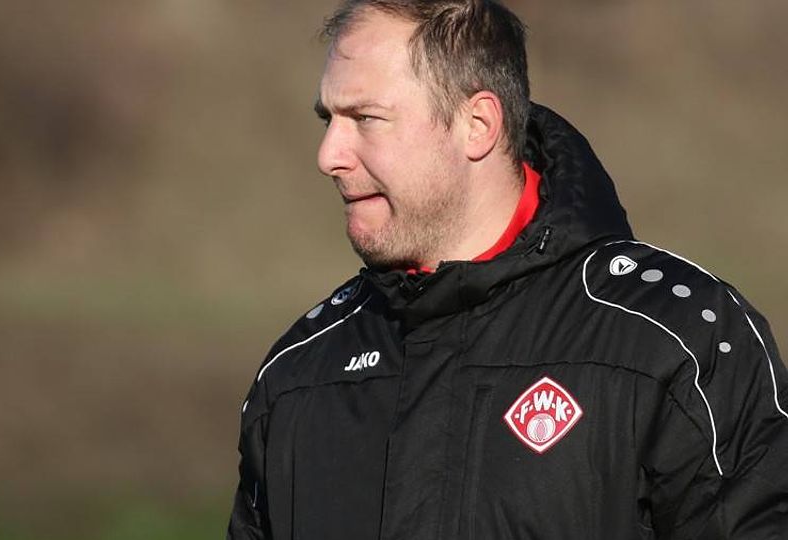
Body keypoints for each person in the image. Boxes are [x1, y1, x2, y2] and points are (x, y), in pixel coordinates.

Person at [227, 1, 788, 538]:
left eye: (366, 118)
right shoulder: (297, 375)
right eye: (328, 119)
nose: (328, 156)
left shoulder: (677, 340)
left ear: (478, 124)